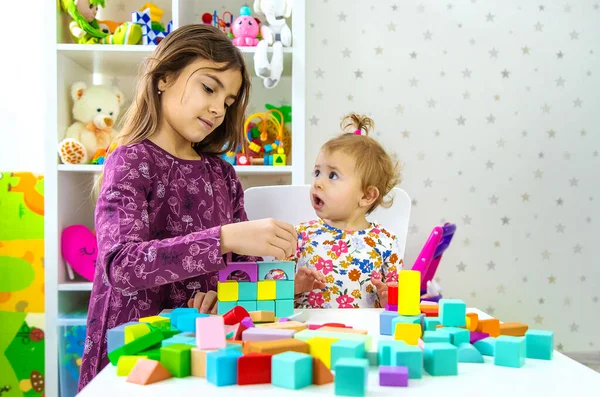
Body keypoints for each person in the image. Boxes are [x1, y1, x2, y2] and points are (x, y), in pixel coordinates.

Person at [77, 24, 310, 390]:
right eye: (208, 88)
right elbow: (121, 265)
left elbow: (241, 274)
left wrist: (236, 294)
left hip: (204, 353)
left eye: (229, 101)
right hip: (136, 355)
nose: (218, 108)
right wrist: (225, 238)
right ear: (165, 77)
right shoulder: (130, 161)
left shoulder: (223, 174)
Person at [292, 113, 405, 309]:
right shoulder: (299, 236)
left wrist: (391, 301)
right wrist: (294, 287)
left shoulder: (386, 242)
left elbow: (400, 301)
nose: (318, 182)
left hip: (364, 336)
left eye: (333, 175)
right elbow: (270, 298)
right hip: (310, 334)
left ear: (367, 196)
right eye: (317, 172)